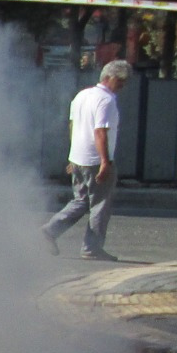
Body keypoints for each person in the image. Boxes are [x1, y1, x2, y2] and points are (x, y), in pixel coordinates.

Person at [42, 59, 131, 262]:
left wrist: (72, 156)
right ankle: (92, 248)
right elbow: (100, 132)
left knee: (80, 201)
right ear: (110, 78)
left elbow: (73, 126)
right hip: (95, 160)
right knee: (100, 205)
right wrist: (105, 162)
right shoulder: (106, 100)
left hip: (79, 158)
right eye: (121, 82)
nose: (122, 87)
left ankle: (49, 230)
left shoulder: (82, 95)